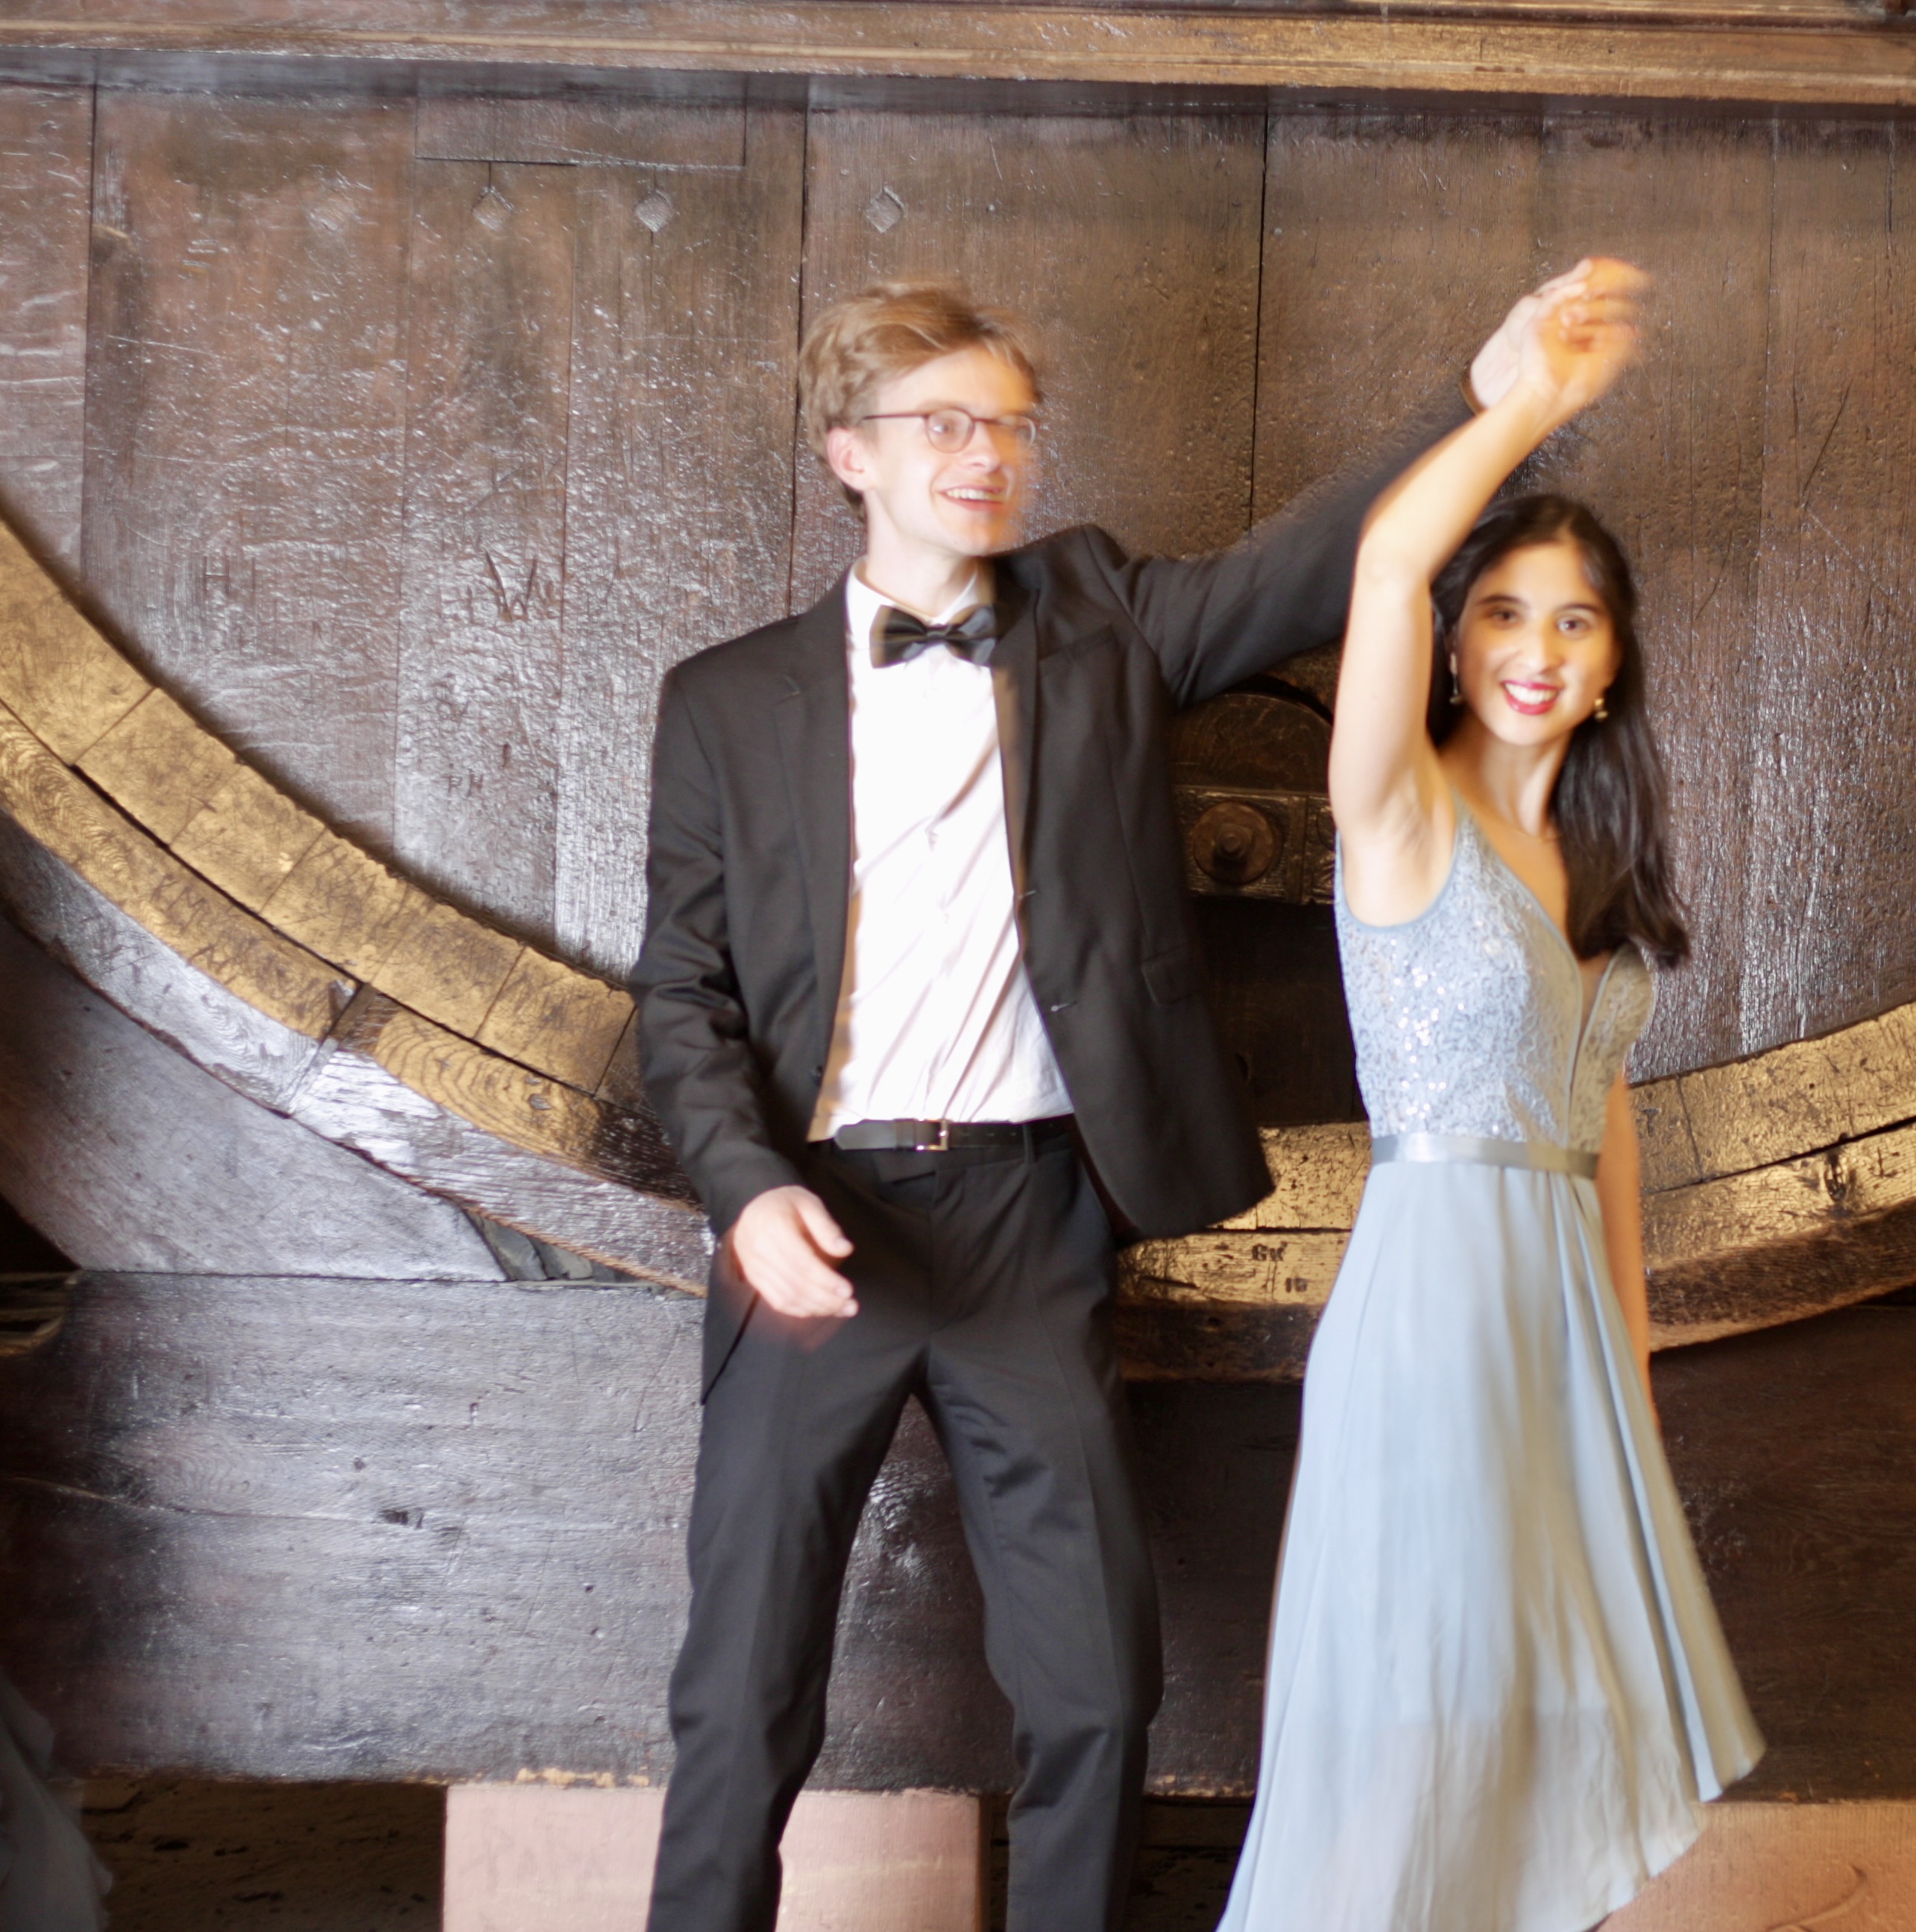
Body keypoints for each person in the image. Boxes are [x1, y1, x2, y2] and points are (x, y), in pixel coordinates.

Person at [631, 272, 1589, 1932]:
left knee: (1094, 1693)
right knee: (744, 1693)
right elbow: (680, 995)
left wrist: (1489, 397)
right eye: (948, 424)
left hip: (1033, 1228)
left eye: (1012, 426)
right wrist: (745, 1187)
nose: (990, 456)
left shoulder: (1101, 620)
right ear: (851, 453)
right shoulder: (723, 700)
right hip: (819, 1228)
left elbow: (1315, 563)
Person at [1217, 260, 1762, 1932]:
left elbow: (1604, 1126)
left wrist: (1635, 1378)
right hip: (1437, 1305)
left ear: (1612, 665)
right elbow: (1388, 560)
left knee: (1554, 1730)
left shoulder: (1593, 868)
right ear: (1455, 648)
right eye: (1507, 615)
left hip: (1566, 1332)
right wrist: (1528, 402)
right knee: (1429, 1719)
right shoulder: (1400, 814)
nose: (1538, 649)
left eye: (1575, 621)